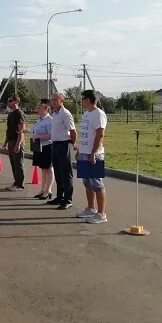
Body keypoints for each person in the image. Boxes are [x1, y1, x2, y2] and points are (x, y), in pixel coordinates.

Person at [75, 90, 109, 224]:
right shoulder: (86, 114)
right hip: (84, 152)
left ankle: (101, 214)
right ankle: (91, 208)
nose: (81, 102)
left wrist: (93, 153)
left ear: (88, 100)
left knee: (97, 183)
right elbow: (84, 133)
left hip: (94, 153)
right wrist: (79, 150)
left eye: (82, 99)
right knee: (87, 182)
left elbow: (100, 135)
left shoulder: (99, 114)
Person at [47, 92, 77, 209]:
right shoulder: (55, 113)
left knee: (66, 172)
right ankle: (60, 196)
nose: (53, 101)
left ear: (61, 101)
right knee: (58, 172)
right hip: (55, 144)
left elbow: (73, 131)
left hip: (64, 144)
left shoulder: (65, 113)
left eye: (55, 99)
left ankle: (68, 199)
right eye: (52, 99)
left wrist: (72, 144)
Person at [30, 100, 54, 199]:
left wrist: (39, 137)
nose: (37, 109)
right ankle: (42, 190)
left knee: (49, 169)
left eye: (39, 108)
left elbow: (51, 135)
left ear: (46, 109)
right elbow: (34, 130)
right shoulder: (39, 120)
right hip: (39, 146)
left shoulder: (50, 120)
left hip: (47, 146)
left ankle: (48, 190)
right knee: (43, 169)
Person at [2, 95, 26, 191]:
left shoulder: (19, 113)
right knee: (13, 164)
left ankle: (20, 185)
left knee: (18, 163)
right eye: (8, 100)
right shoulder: (10, 114)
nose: (8, 102)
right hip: (11, 141)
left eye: (10, 100)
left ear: (16, 102)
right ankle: (16, 182)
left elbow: (21, 130)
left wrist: (18, 144)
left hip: (17, 141)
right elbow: (9, 130)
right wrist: (5, 142)